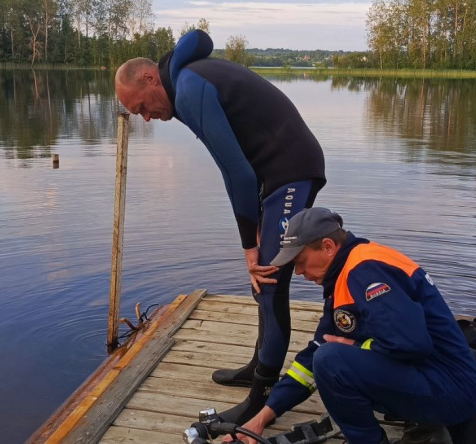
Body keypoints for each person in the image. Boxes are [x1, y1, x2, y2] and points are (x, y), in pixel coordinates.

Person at [115, 30, 326, 425]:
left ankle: (260, 398)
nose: (146, 117)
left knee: (268, 280)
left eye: (142, 106)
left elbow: (237, 175)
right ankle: (258, 366)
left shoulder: (192, 87)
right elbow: (237, 170)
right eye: (137, 114)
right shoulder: (187, 82)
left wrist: (249, 244)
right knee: (262, 279)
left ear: (150, 79)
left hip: (292, 169)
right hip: (275, 175)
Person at [225, 207, 476, 444]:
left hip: (451, 392)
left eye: (300, 261)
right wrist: (261, 420)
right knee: (325, 356)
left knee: (332, 361)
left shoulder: (365, 272)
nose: (299, 272)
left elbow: (412, 344)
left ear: (328, 246)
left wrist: (358, 346)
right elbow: (313, 356)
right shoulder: (346, 274)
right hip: (439, 381)